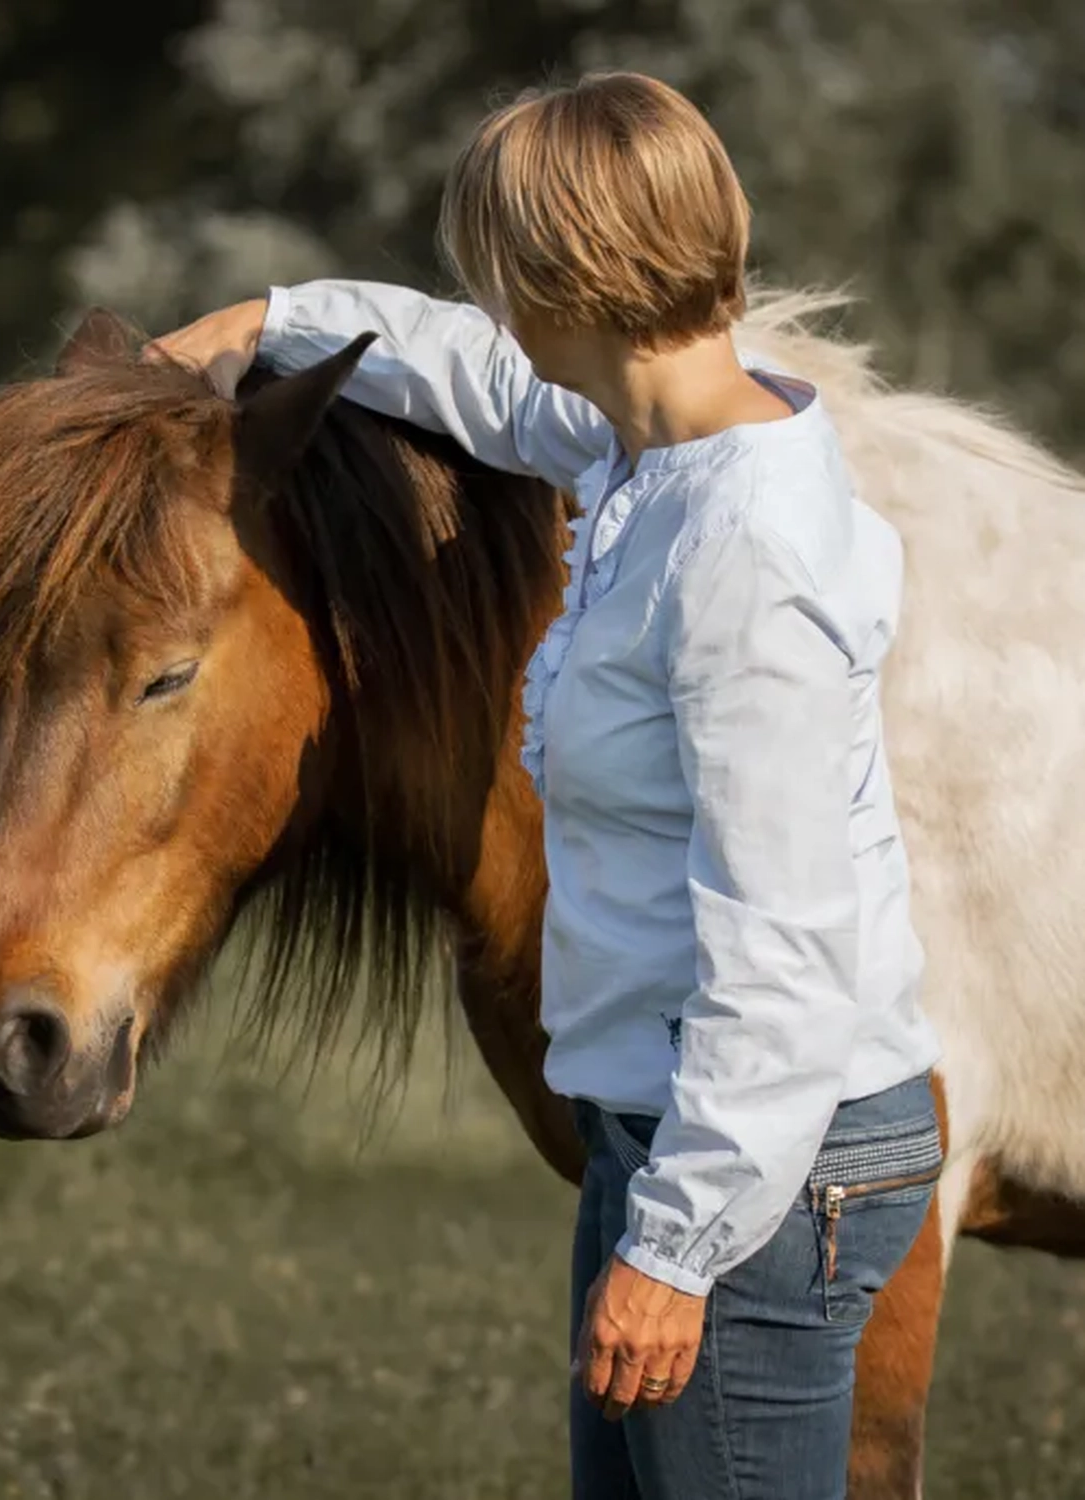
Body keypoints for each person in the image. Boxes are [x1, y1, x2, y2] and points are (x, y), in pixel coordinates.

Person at [150, 71, 943, 1500]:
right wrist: (267, 322)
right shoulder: (656, 446)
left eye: (498, 273)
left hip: (761, 1168)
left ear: (563, 277)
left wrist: (676, 1246)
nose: (492, 306)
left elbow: (783, 946)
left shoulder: (741, 550)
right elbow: (482, 379)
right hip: (676, 1130)